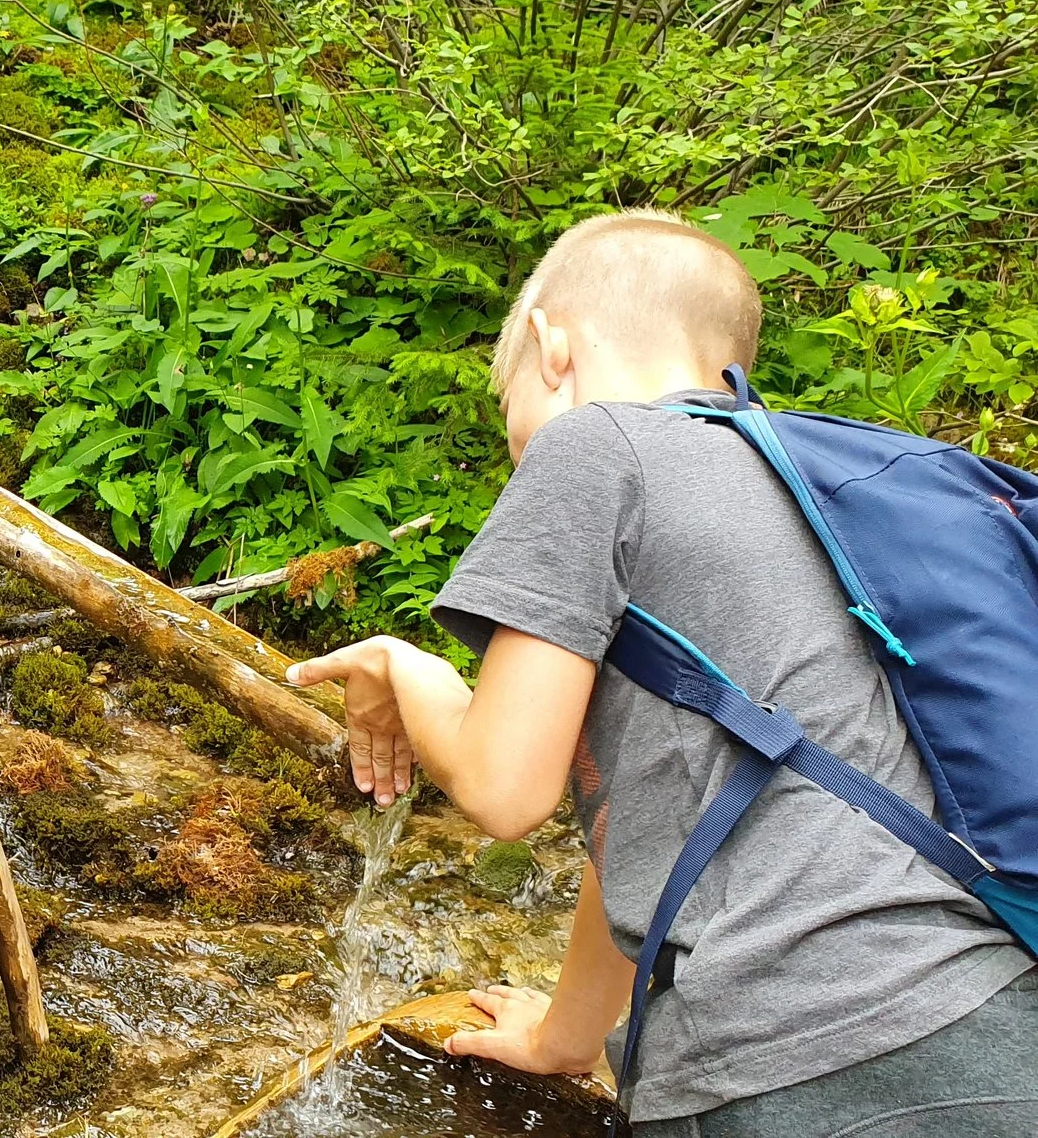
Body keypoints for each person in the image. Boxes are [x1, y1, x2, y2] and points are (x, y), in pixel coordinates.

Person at [285, 210, 1038, 1136]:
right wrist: (567, 1038)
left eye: (506, 407)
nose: (514, 444)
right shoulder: (811, 498)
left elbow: (503, 787)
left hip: (780, 1063)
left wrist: (404, 665)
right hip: (997, 1027)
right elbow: (649, 822)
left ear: (547, 344)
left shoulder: (592, 444)